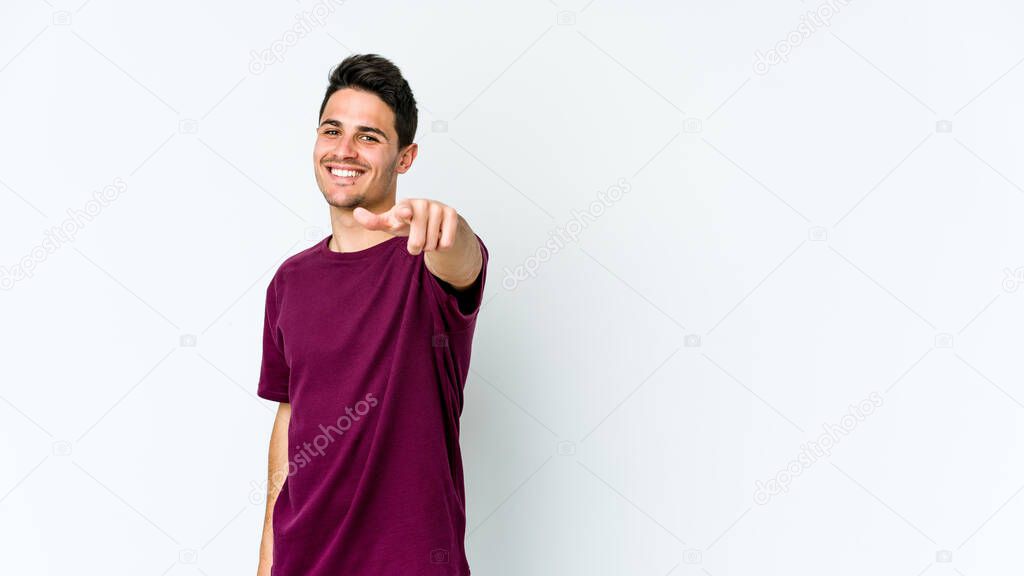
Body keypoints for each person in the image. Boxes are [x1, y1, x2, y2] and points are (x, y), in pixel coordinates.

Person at [256, 53, 488, 576]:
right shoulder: (289, 281)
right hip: (303, 563)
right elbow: (290, 418)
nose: (344, 150)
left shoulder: (428, 263)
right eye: (332, 130)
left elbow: (463, 259)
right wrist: (268, 559)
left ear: (404, 158)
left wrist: (446, 226)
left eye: (369, 137)